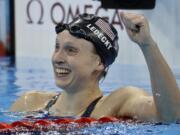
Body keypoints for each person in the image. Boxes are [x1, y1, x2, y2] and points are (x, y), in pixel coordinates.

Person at [10, 12, 180, 122]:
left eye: (71, 50)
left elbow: (171, 116)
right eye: (57, 47)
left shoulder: (119, 103)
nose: (57, 58)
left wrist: (147, 45)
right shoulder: (29, 103)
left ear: (99, 63)